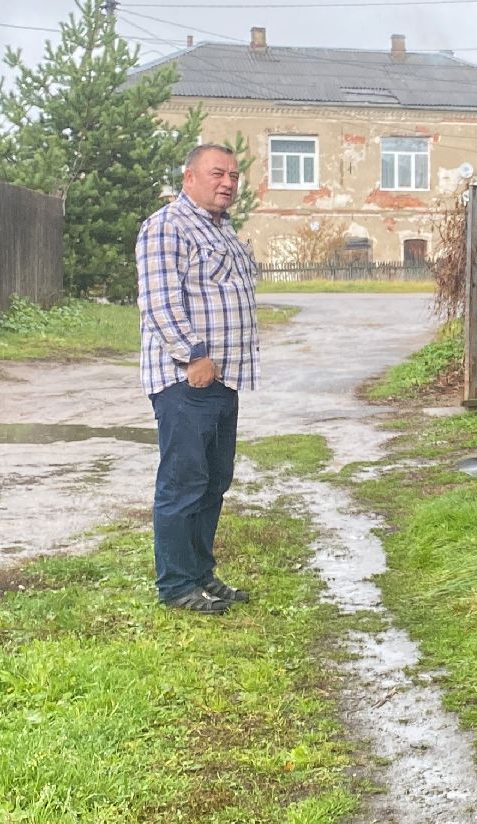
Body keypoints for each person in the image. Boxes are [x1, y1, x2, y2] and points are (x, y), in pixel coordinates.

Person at [136, 143, 260, 613]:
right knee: (182, 483)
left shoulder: (222, 229)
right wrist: (193, 356)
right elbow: (161, 302)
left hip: (223, 379)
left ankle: (200, 574)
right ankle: (175, 586)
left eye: (233, 174)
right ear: (189, 177)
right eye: (217, 173)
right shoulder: (166, 227)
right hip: (187, 380)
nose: (227, 182)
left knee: (213, 482)